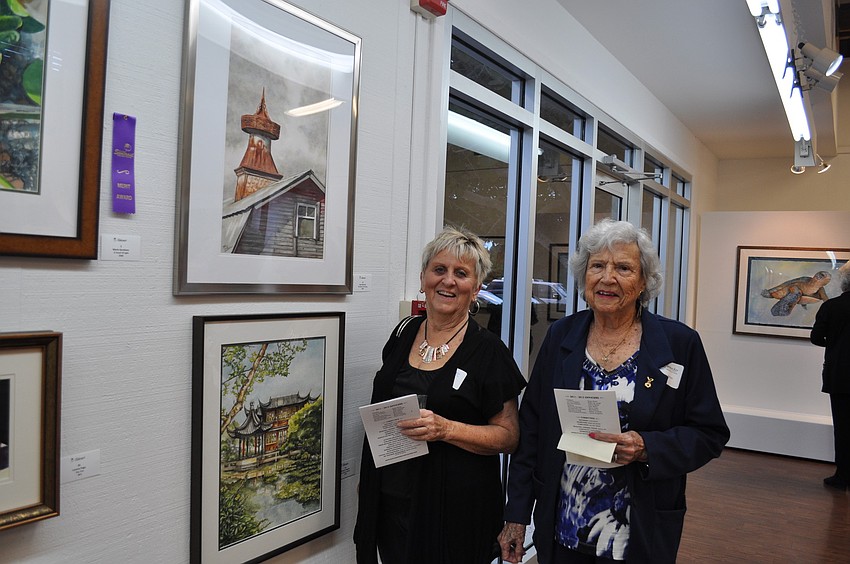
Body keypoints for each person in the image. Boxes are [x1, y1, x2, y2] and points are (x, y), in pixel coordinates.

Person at [497, 219, 729, 564]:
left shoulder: (679, 344)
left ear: (643, 281)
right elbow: (532, 427)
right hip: (564, 525)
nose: (608, 278)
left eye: (623, 268)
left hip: (638, 530)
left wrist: (647, 447)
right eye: (597, 266)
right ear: (584, 276)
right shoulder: (561, 336)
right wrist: (516, 514)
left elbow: (709, 433)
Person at [354, 226, 527, 564]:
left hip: (454, 513)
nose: (448, 281)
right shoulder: (403, 333)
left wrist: (446, 429)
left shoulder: (489, 352)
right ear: (423, 278)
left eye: (461, 273)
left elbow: (509, 437)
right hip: (392, 502)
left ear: (476, 288)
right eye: (439, 269)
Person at [810, 268, 850, 490]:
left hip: (840, 375)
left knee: (842, 427)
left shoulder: (831, 307)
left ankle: (843, 476)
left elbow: (816, 338)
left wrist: (835, 344)